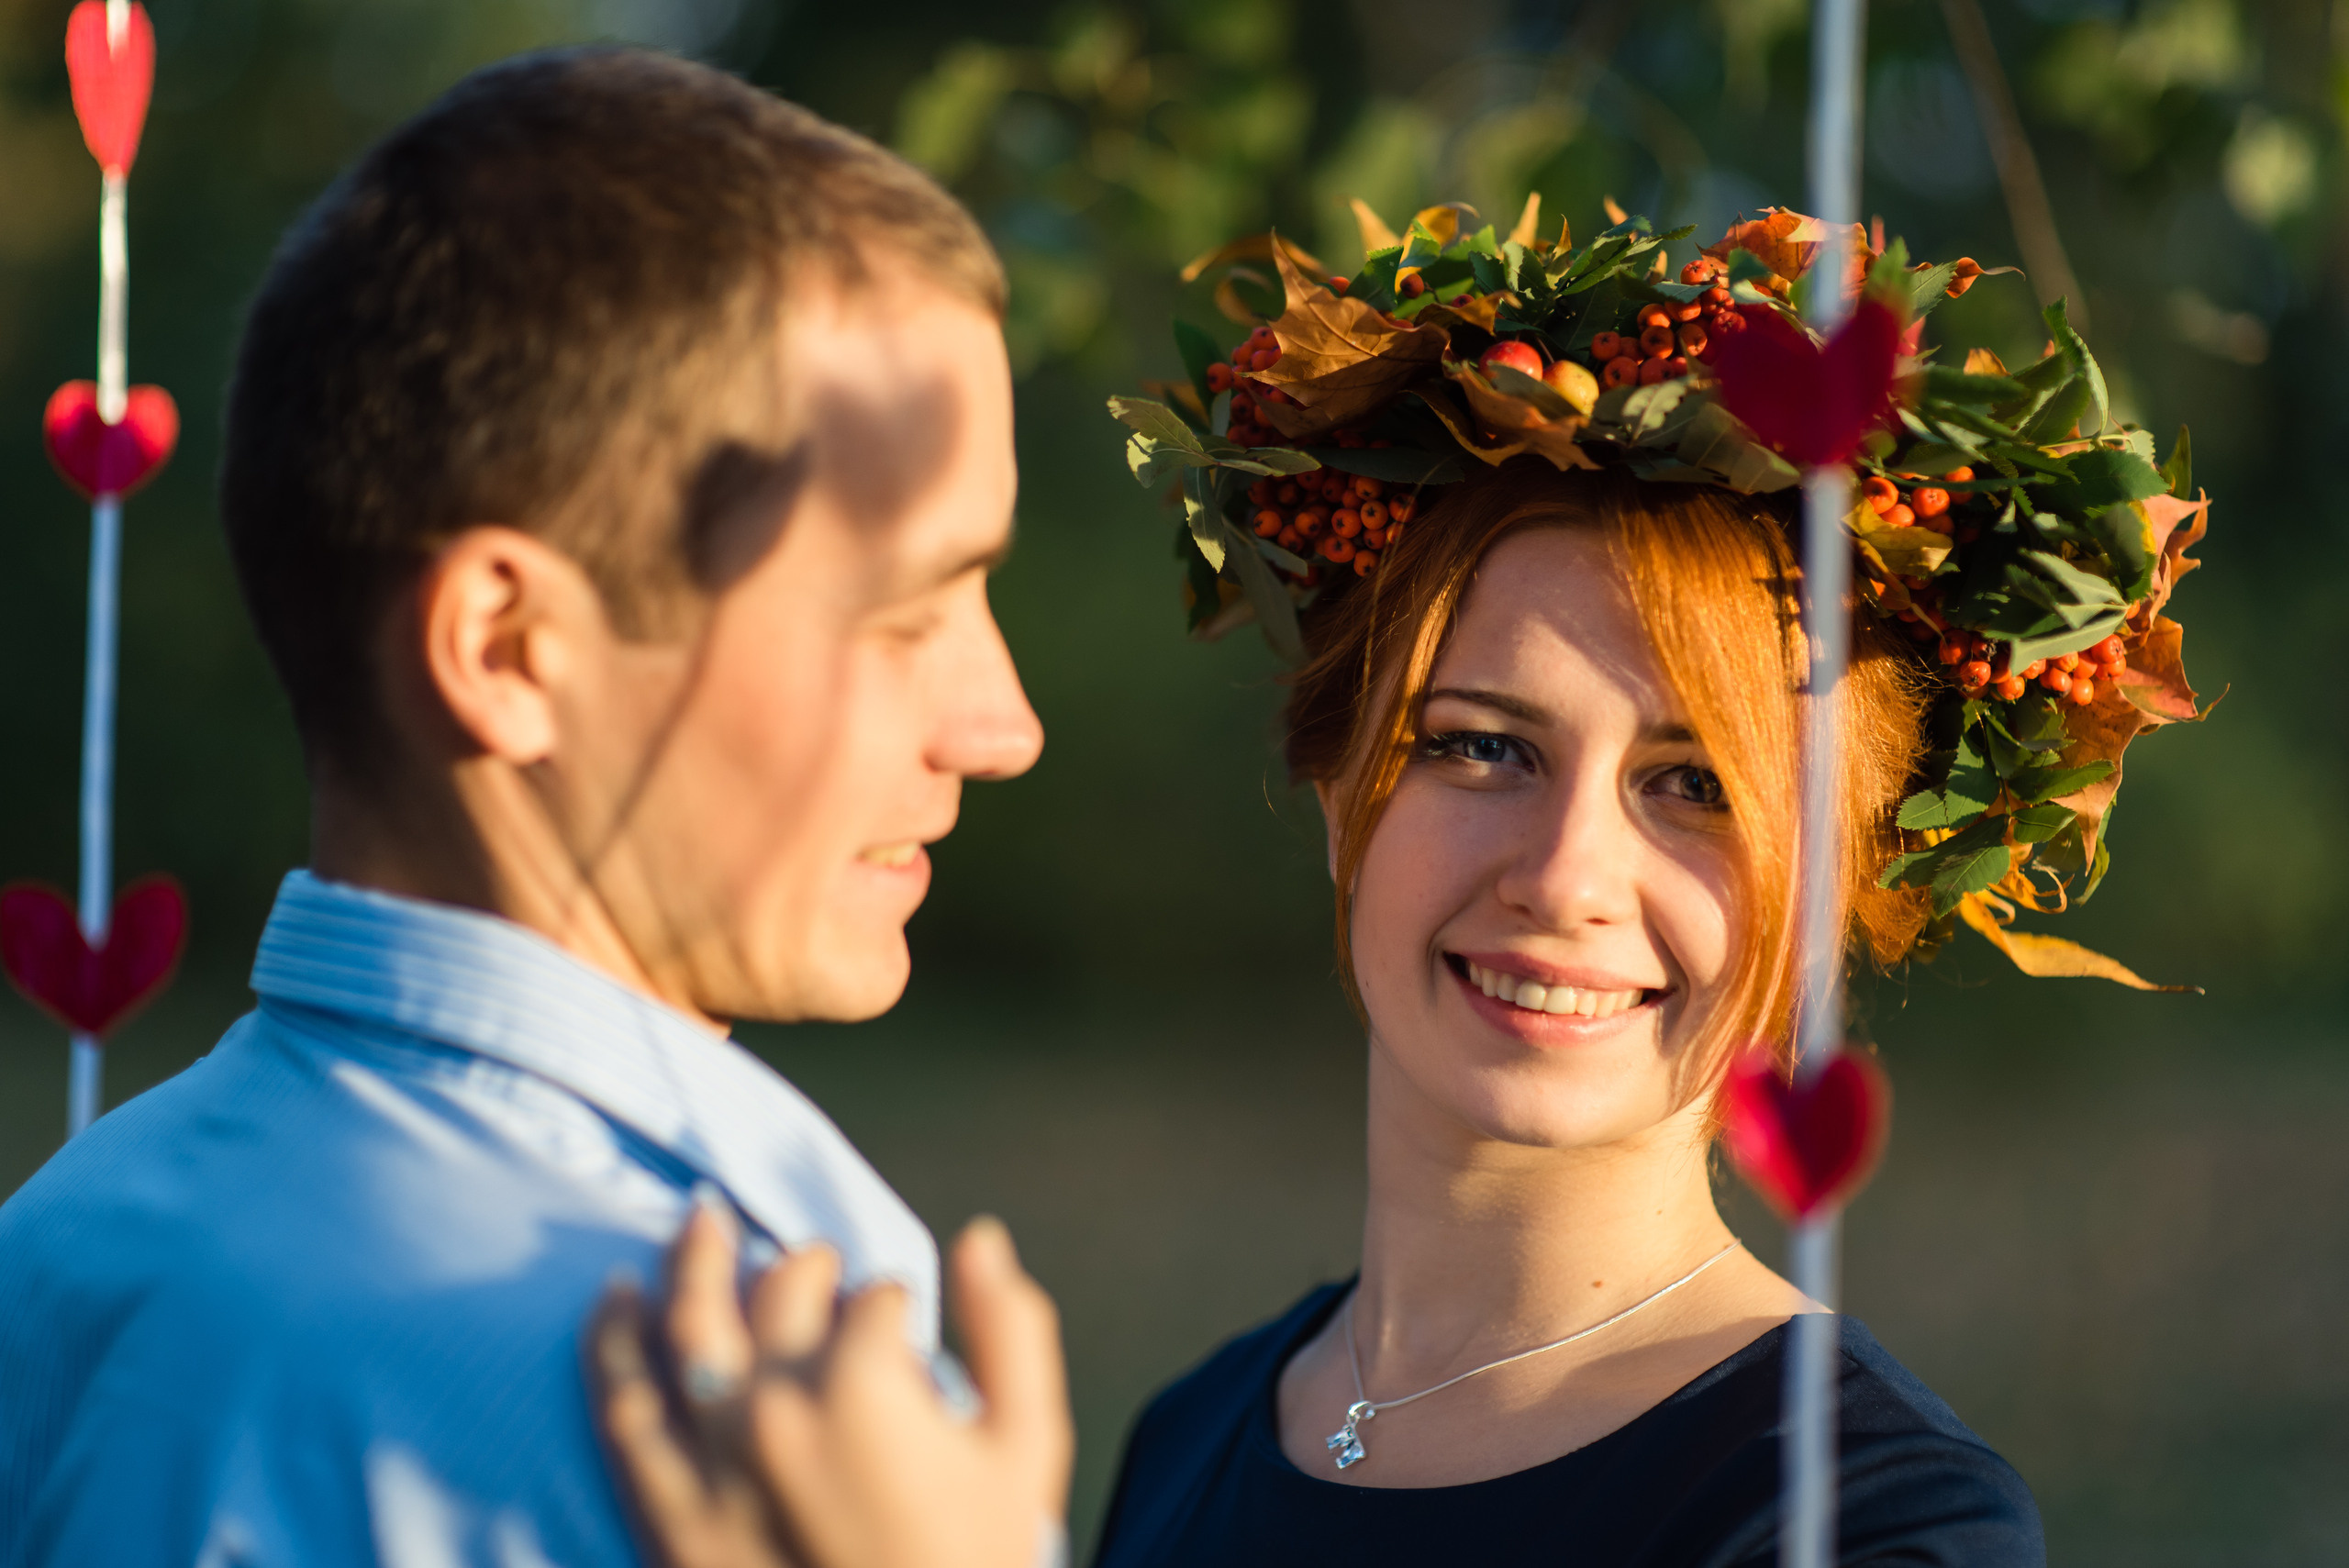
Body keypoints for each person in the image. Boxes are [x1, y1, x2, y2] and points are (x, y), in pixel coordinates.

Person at [592, 201, 2207, 1563]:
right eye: (1484, 748)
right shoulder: (1207, 1418)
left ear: (1839, 882)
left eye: (1694, 786)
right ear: (1337, 774)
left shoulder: (1866, 1519)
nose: (1569, 871)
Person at [0, 49, 1071, 1568]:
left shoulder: (61, 1252)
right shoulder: (756, 1389)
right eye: (907, 614)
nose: (1004, 726)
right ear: (507, 649)